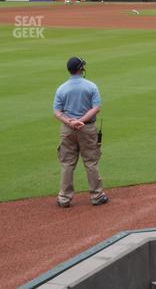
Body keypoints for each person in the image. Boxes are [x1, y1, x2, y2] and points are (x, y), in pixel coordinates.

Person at [52, 57, 107, 208]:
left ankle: (64, 198)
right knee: (90, 162)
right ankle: (97, 196)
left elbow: (57, 112)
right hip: (87, 128)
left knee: (67, 163)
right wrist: (81, 121)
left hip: (67, 129)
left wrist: (71, 122)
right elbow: (96, 108)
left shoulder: (61, 88)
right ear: (81, 69)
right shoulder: (91, 86)